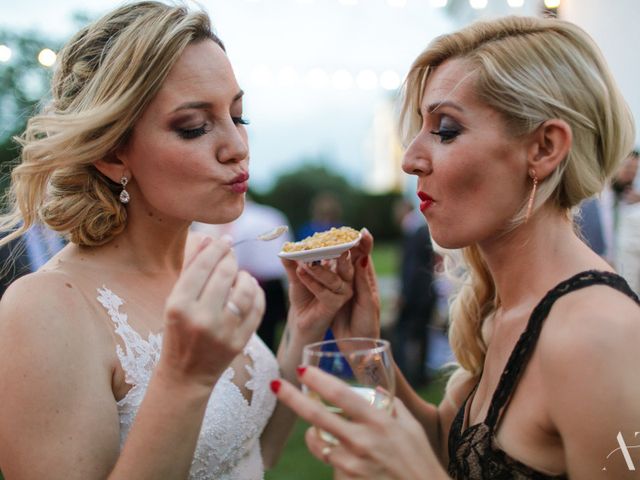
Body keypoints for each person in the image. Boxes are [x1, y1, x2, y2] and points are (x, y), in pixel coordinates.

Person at [0, 2, 375, 479]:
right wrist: (183, 380)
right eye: (194, 127)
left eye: (239, 117)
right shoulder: (45, 308)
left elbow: (252, 453)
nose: (237, 147)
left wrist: (303, 329)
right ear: (114, 154)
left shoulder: (204, 263)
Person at [271, 15, 640, 479]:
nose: (410, 159)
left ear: (544, 148)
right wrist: (361, 347)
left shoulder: (597, 335)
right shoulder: (505, 308)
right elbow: (451, 445)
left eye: (445, 130)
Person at [194, 197, 293, 350]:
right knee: (273, 330)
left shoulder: (238, 221)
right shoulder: (273, 215)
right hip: (276, 283)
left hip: (253, 282)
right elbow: (288, 248)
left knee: (255, 331)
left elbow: (237, 257)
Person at [392, 199, 436, 387]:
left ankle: (406, 374)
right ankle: (421, 375)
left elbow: (411, 268)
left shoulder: (412, 231)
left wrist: (403, 294)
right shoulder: (423, 230)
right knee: (423, 334)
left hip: (414, 295)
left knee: (402, 333)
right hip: (427, 292)